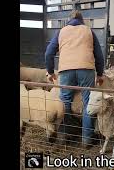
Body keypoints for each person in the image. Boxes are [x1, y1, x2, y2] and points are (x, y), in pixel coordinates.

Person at [44, 10, 104, 148]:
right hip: (86, 69)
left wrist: (50, 72)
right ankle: (86, 140)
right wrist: (100, 74)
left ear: (68, 21)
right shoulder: (89, 31)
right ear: (82, 20)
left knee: (64, 101)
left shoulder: (61, 31)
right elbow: (99, 56)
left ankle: (64, 135)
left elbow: (48, 53)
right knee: (88, 103)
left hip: (65, 70)